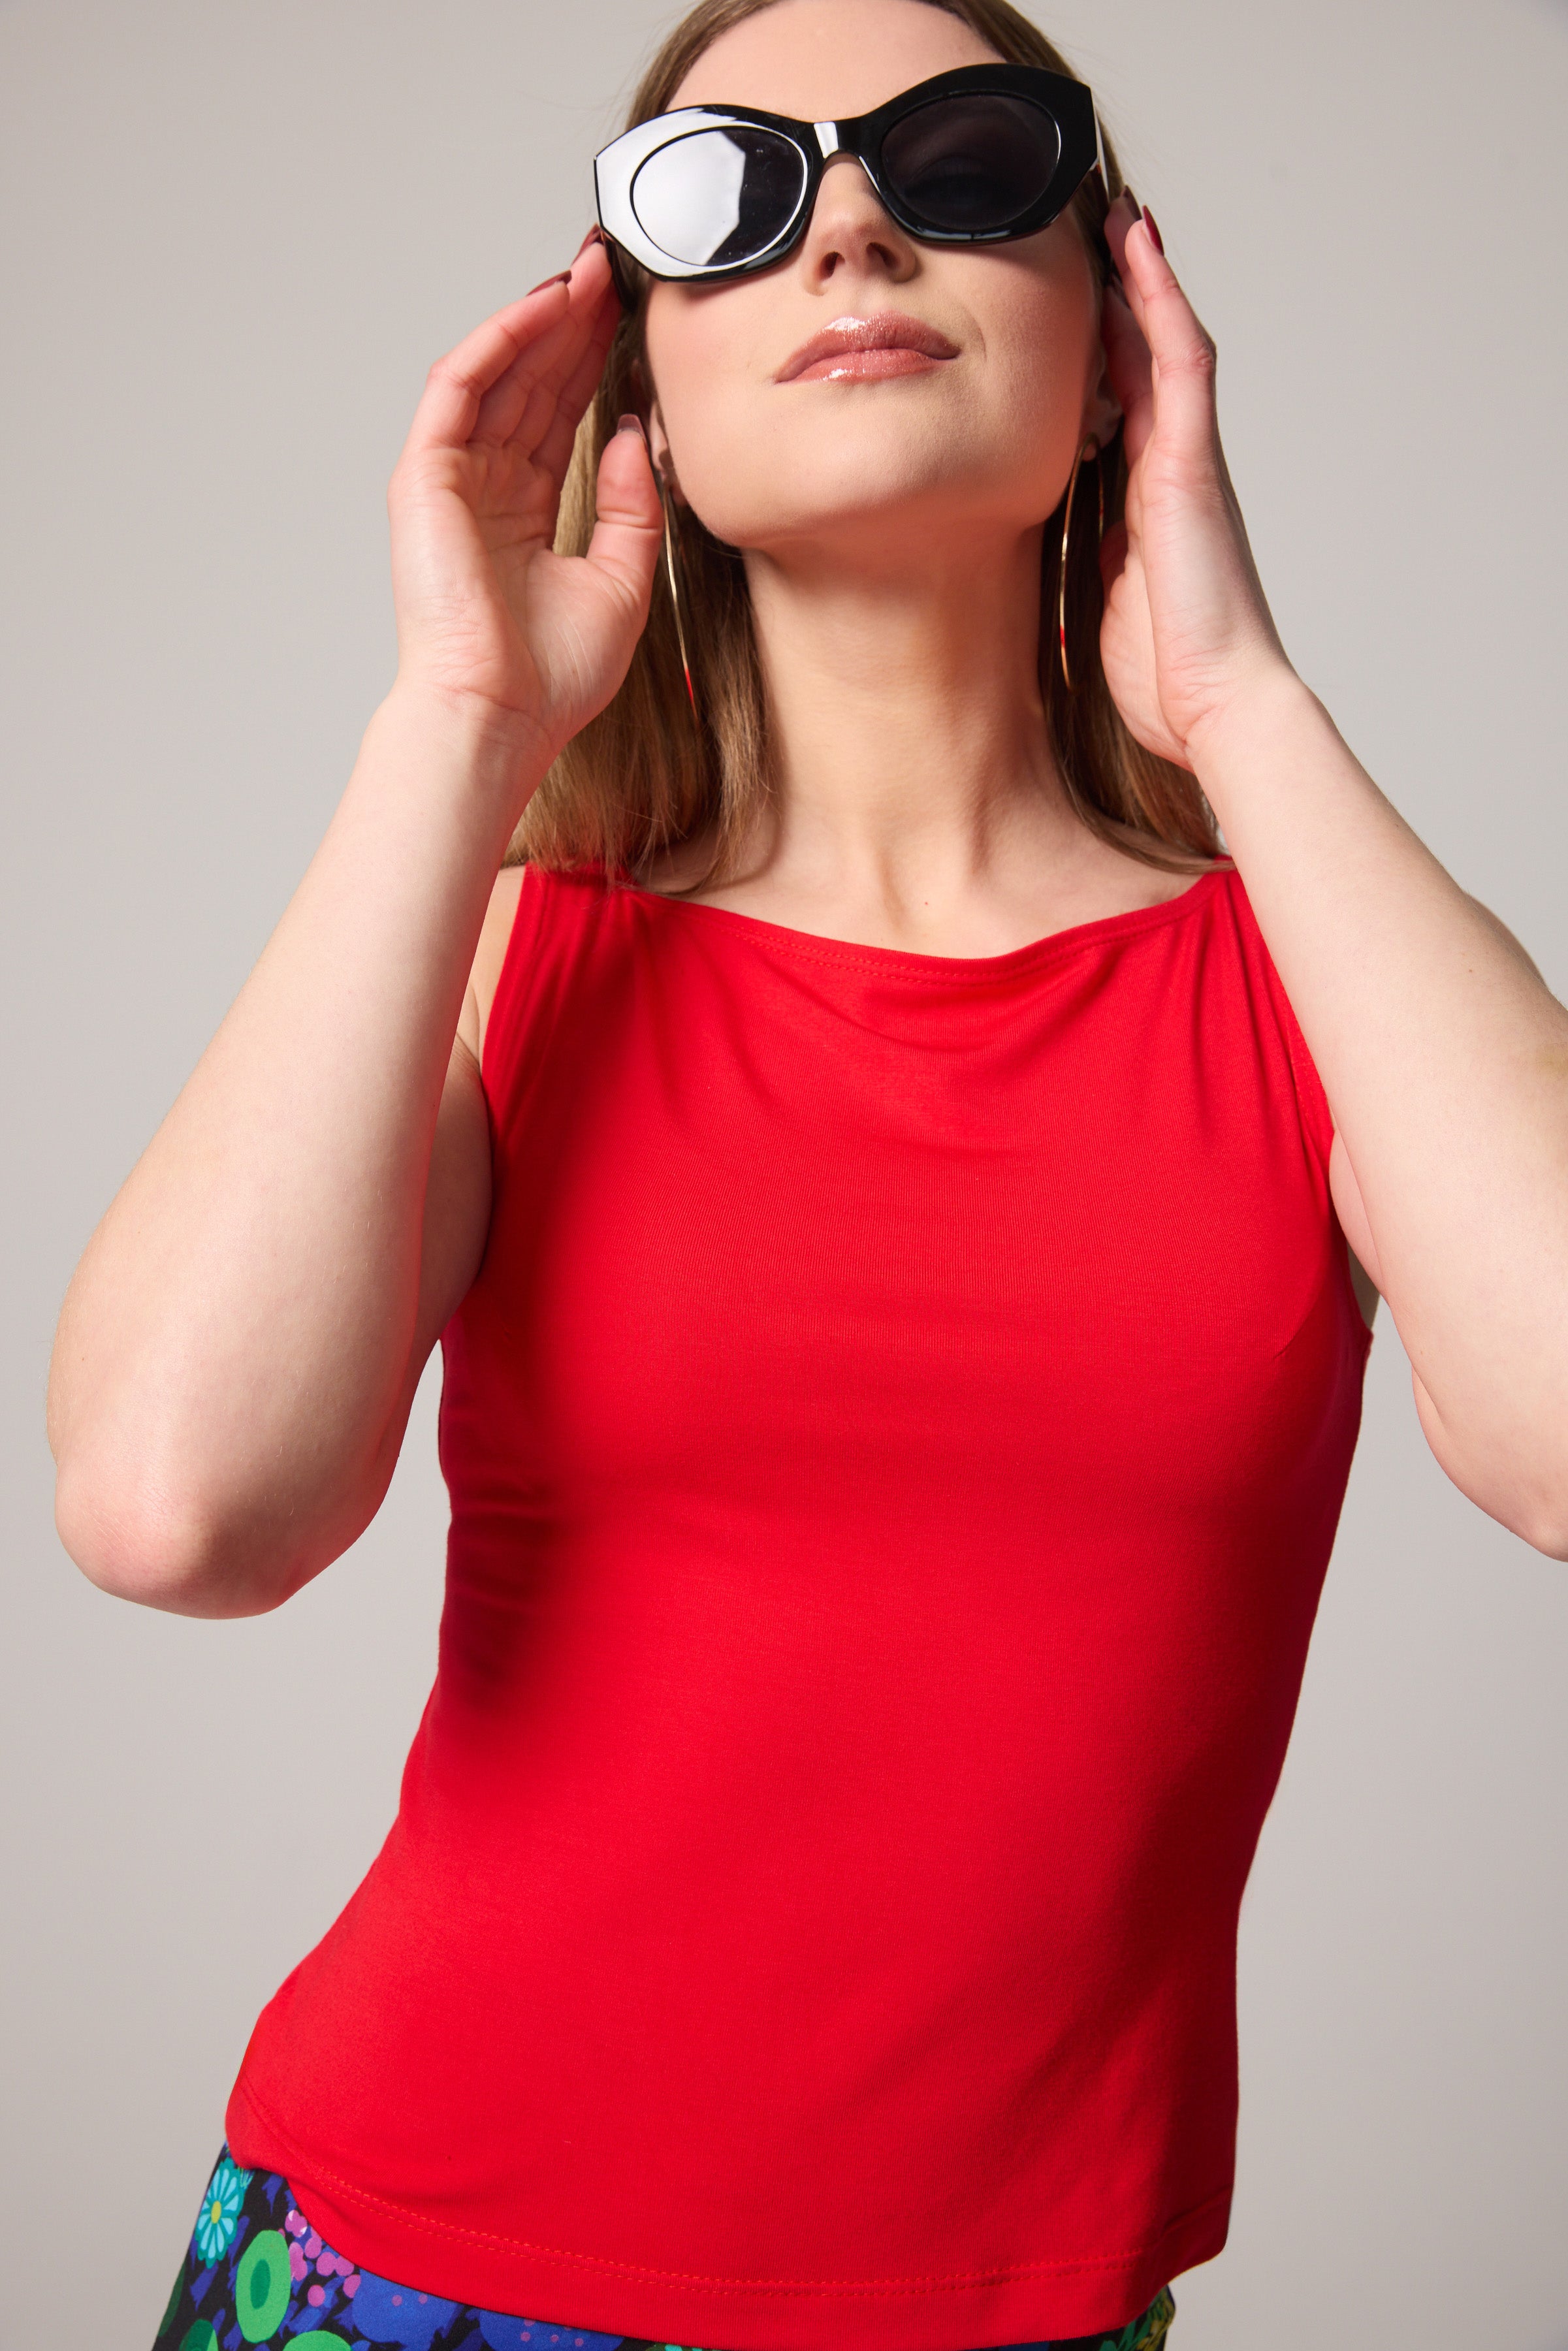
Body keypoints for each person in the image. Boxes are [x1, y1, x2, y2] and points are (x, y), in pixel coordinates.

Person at [46, 0, 1568, 2345]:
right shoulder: (518, 957)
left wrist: (1243, 703)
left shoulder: (1312, 983)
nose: (849, 224)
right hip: (411, 2274)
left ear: (1116, 343)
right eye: (731, 197)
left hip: (1014, 2308)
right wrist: (460, 724)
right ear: (640, 391)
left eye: (962, 163)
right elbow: (174, 1513)